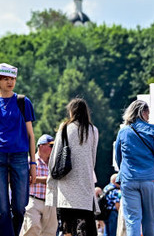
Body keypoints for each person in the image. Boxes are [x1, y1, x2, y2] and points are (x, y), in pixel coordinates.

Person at [0, 63, 36, 236]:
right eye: (5, 79)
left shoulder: (23, 102)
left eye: (12, 79)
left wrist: (33, 163)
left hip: (20, 156)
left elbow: (31, 136)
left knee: (20, 207)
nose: (10, 82)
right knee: (1, 209)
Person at [46, 98, 99, 236]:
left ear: (72, 111)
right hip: (85, 185)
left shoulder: (65, 128)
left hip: (67, 185)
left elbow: (55, 156)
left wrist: (51, 181)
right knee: (84, 228)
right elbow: (92, 159)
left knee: (67, 228)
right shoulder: (93, 130)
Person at [114, 100, 154, 236]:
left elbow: (118, 157)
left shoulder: (123, 132)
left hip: (129, 179)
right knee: (150, 217)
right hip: (150, 179)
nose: (149, 117)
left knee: (132, 219)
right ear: (143, 112)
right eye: (148, 113)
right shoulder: (153, 130)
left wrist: (125, 170)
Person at [21, 134, 58, 236]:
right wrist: (47, 180)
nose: (53, 148)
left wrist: (37, 179)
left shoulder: (54, 164)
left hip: (51, 202)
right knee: (32, 228)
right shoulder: (30, 161)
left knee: (49, 233)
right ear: (41, 146)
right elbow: (24, 180)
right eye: (51, 146)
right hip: (33, 200)